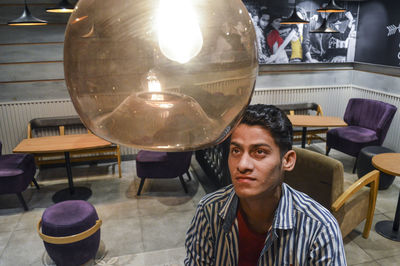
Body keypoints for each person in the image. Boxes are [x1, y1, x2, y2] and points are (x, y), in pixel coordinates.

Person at [184, 104, 347, 265]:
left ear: (287, 161)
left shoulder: (319, 228)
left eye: (259, 152)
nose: (242, 165)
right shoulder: (209, 210)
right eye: (236, 151)